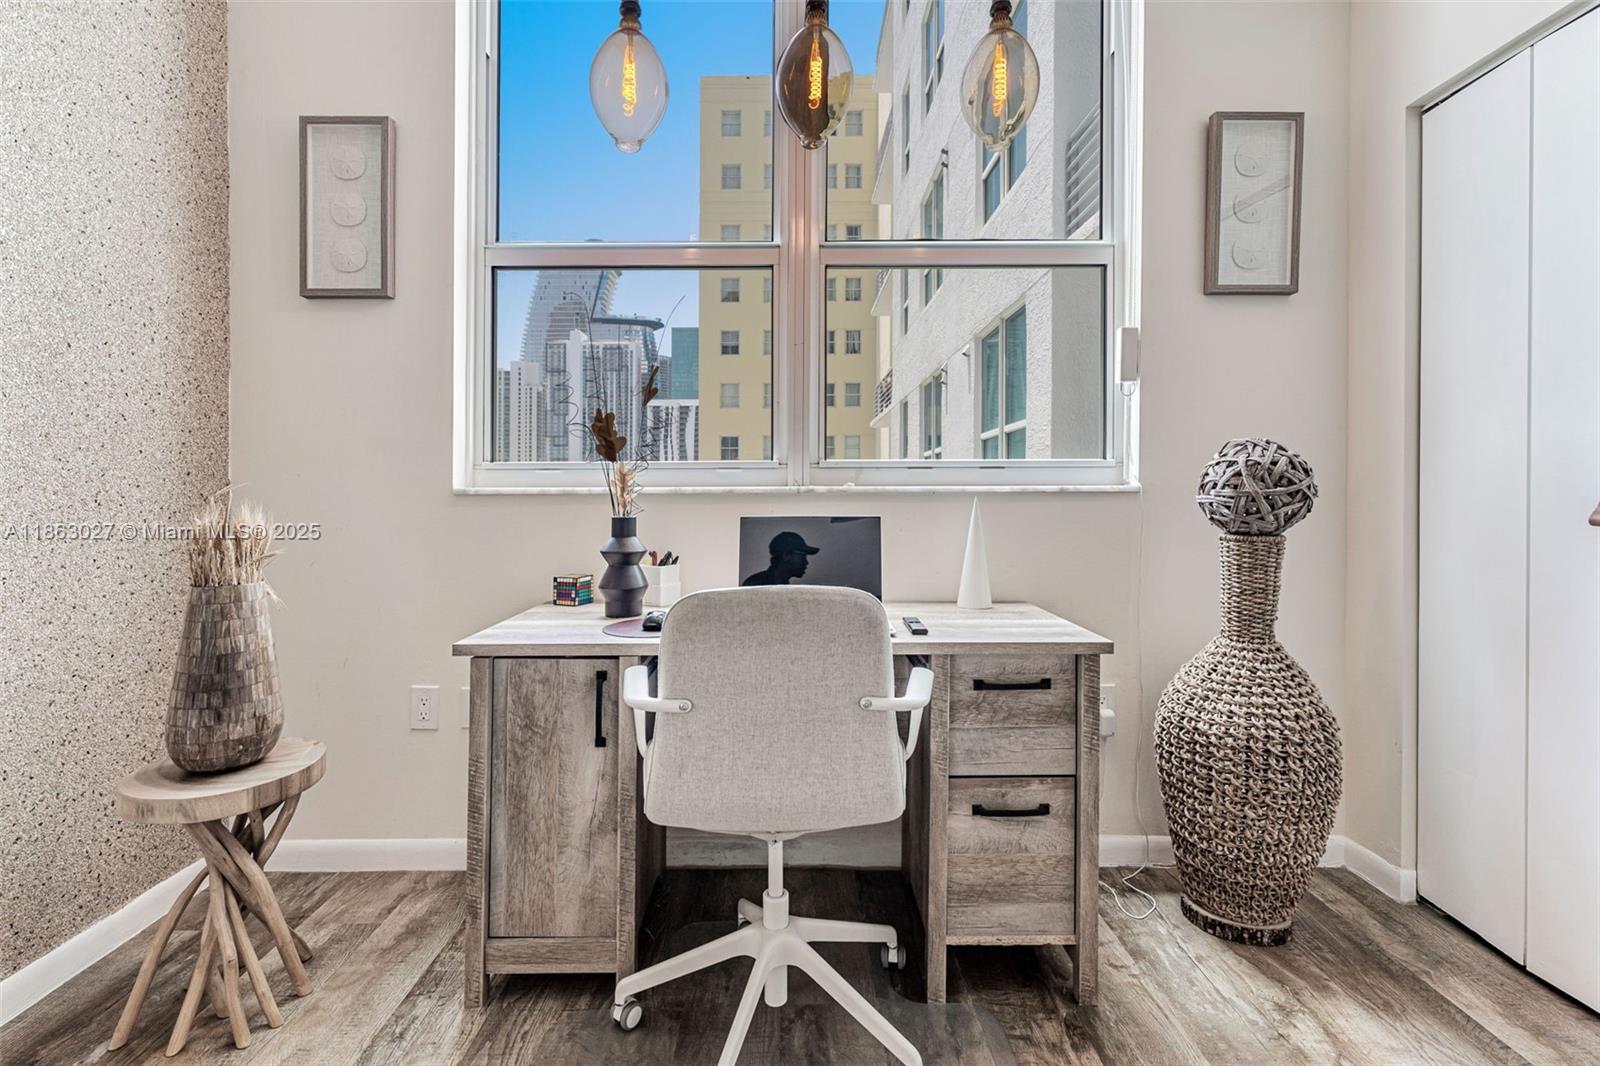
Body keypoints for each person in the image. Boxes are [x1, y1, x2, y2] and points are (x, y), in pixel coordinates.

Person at [741, 530, 820, 587]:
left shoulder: (780, 584)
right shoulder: (755, 585)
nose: (806, 562)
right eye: (803, 557)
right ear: (786, 555)